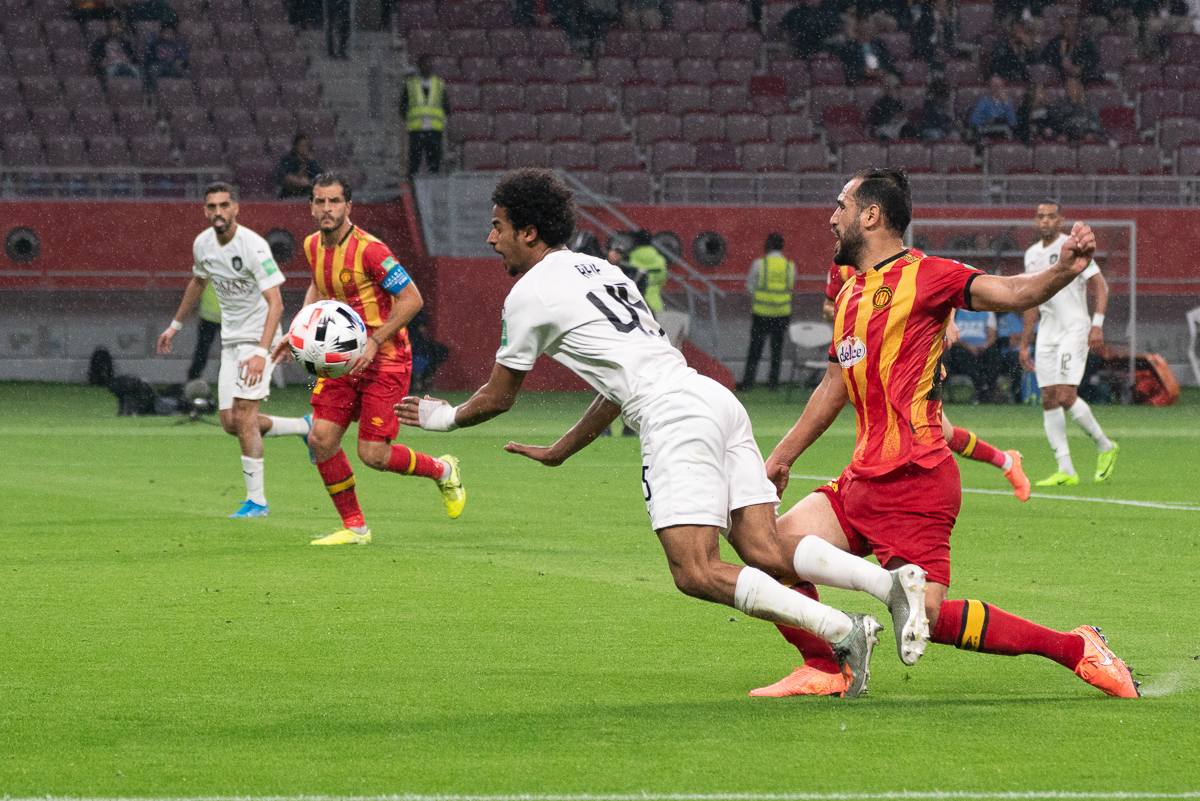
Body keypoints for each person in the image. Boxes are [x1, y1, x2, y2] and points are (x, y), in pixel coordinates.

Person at [397, 167, 925, 699]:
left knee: (695, 570)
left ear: (529, 232)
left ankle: (844, 630)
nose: (491, 239)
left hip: (674, 417)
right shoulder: (601, 270)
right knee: (764, 550)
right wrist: (563, 449)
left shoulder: (527, 294)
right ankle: (889, 584)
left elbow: (498, 395)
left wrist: (445, 417)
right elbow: (621, 382)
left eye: (498, 226)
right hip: (713, 400)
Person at [751, 168, 1137, 701]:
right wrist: (782, 456)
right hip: (861, 480)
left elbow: (1011, 292)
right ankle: (825, 664)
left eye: (841, 205)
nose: (831, 217)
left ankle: (1077, 648)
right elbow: (835, 383)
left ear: (871, 215)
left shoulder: (929, 275)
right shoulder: (848, 292)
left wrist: (1065, 271)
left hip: (917, 481)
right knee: (766, 548)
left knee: (925, 617)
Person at [269, 172, 465, 545]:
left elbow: (412, 299)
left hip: (385, 358)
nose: (326, 209)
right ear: (311, 205)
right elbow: (318, 287)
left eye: (334, 202)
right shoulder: (313, 246)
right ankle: (356, 528)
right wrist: (295, 335)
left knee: (373, 454)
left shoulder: (372, 250)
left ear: (349, 206)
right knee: (321, 439)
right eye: (320, 201)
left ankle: (442, 469)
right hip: (340, 361)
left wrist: (374, 340)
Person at [156, 182, 313, 518]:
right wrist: (175, 326)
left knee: (244, 414)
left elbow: (276, 303)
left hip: (260, 340)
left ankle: (257, 501)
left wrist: (261, 350)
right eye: (212, 206)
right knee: (231, 422)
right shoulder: (202, 244)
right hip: (231, 341)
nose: (218, 212)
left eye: (224, 205)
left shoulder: (254, 246)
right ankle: (305, 427)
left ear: (236, 208)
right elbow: (198, 282)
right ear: (205, 210)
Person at [823, 259, 1030, 502]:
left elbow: (951, 283)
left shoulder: (905, 261)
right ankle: (1006, 461)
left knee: (899, 432)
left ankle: (874, 497)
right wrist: (841, 312)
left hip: (908, 365)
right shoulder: (840, 268)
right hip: (869, 363)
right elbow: (828, 308)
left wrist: (950, 322)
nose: (836, 224)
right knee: (944, 433)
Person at [1020, 201, 1118, 486]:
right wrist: (1026, 343)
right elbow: (1030, 299)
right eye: (1041, 217)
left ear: (1060, 220)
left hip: (1074, 328)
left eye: (1051, 216)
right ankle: (1066, 469)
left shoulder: (1073, 246)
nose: (1045, 221)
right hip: (1048, 331)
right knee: (1049, 398)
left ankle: (1105, 445)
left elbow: (1101, 284)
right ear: (1035, 221)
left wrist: (1097, 323)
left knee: (1064, 394)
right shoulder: (1032, 254)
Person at [738, 233, 796, 392]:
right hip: (782, 314)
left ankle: (748, 383)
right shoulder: (789, 265)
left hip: (761, 313)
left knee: (755, 350)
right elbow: (790, 286)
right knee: (776, 351)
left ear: (768, 245)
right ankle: (773, 384)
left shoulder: (759, 264)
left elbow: (749, 287)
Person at [402, 56, 447, 181]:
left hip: (435, 129)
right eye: (425, 64)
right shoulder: (411, 85)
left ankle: (433, 189)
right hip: (416, 129)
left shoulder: (439, 84)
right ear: (419, 66)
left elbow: (446, 106)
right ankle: (412, 189)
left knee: (434, 163)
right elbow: (403, 107)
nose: (427, 67)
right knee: (414, 162)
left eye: (429, 64)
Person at [943, 307, 1002, 402]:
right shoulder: (956, 312)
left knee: (993, 354)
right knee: (961, 354)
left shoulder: (987, 311)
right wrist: (968, 347)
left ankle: (989, 388)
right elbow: (951, 335)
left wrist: (984, 346)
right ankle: (978, 388)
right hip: (962, 347)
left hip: (982, 348)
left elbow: (992, 335)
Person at [834, 15, 900, 86]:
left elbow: (886, 60)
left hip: (880, 74)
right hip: (858, 76)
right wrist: (863, 70)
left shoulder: (879, 44)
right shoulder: (850, 46)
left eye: (866, 27)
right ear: (857, 29)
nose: (865, 30)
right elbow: (849, 64)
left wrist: (881, 70)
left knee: (892, 80)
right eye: (862, 27)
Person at [1041, 16, 1103, 86]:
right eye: (1063, 26)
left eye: (1068, 26)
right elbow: (1045, 59)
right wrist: (1061, 54)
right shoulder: (1055, 43)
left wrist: (1081, 67)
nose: (1066, 29)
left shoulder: (1085, 43)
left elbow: (1094, 59)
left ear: (1075, 27)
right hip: (1061, 78)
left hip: (1083, 79)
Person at [1048, 77, 1102, 144]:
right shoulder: (1060, 103)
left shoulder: (1089, 103)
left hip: (1084, 135)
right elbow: (1055, 121)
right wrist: (1061, 134)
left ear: (1079, 88)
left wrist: (1090, 132)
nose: (1072, 89)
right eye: (1069, 86)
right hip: (1067, 136)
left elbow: (1095, 121)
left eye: (1074, 86)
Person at [627, 230, 666, 316]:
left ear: (636, 242)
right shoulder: (660, 259)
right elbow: (662, 281)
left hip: (635, 307)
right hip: (656, 305)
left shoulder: (630, 258)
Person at [187, 281, 221, 381]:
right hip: (227, 317)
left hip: (208, 316)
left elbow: (198, 286)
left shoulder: (208, 267)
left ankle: (193, 377)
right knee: (229, 352)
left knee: (202, 349)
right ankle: (226, 379)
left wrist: (194, 304)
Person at [90, 17, 141, 83]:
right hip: (110, 66)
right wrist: (100, 62)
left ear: (119, 29)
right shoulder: (100, 43)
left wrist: (129, 59)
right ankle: (109, 91)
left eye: (116, 27)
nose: (113, 29)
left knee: (136, 70)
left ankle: (138, 91)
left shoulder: (125, 43)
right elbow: (94, 58)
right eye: (111, 26)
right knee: (110, 72)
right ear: (107, 28)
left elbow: (134, 58)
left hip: (125, 65)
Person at [969, 76, 1018, 142]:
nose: (997, 88)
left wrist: (1006, 105)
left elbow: (1013, 122)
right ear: (990, 87)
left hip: (1003, 134)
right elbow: (974, 119)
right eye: (994, 85)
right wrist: (986, 121)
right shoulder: (984, 101)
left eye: (999, 85)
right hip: (986, 133)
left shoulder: (1007, 102)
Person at [274, 134, 323, 199]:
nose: (304, 149)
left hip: (307, 196)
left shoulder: (311, 163)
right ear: (296, 147)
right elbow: (283, 176)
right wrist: (300, 182)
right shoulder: (288, 160)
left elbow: (319, 176)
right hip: (289, 195)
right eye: (302, 146)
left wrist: (311, 161)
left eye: (306, 146)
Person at [989, 18, 1035, 83]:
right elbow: (1002, 65)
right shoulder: (1002, 44)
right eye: (1014, 30)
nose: (1017, 33)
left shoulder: (1027, 45)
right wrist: (1013, 52)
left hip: (1025, 79)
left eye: (1019, 30)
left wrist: (1029, 48)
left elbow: (1033, 64)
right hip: (1008, 79)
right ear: (1010, 31)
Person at [144, 22, 189, 88]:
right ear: (161, 33)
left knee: (185, 73)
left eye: (171, 33)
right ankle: (154, 91)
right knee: (153, 69)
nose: (168, 34)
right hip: (159, 66)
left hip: (172, 67)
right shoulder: (155, 44)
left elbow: (182, 57)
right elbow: (150, 59)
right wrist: (161, 62)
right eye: (166, 32)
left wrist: (179, 61)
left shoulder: (176, 45)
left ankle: (180, 91)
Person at [867, 73, 907, 142]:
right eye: (890, 88)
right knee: (885, 133)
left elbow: (901, 115)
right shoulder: (880, 102)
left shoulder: (898, 102)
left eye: (895, 88)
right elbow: (878, 121)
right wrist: (891, 119)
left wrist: (899, 118)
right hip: (884, 127)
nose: (892, 90)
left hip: (896, 126)